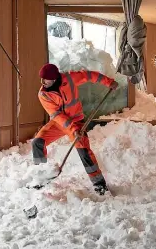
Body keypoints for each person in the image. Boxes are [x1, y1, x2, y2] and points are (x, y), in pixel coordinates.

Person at [31, 63, 118, 195]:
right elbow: (57, 115)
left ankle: (99, 184)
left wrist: (109, 82)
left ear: (54, 79)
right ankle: (41, 176)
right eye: (41, 79)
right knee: (37, 143)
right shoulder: (43, 94)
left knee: (84, 152)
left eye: (46, 79)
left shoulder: (70, 79)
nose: (43, 82)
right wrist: (72, 129)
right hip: (58, 124)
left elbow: (89, 75)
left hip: (77, 122)